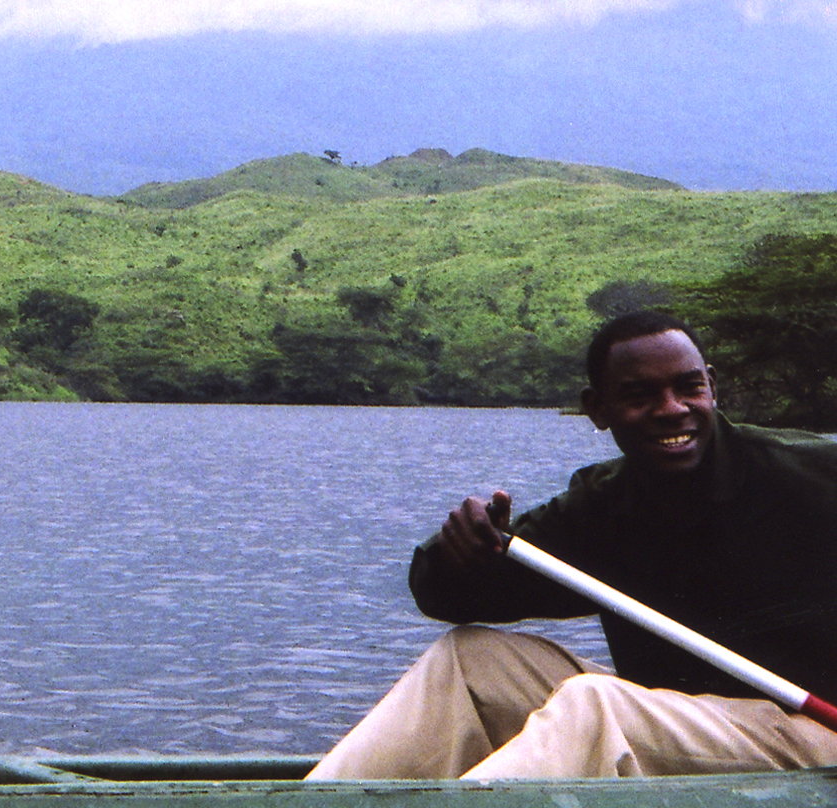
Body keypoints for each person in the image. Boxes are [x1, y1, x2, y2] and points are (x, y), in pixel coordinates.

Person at [307, 310, 837, 780]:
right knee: (471, 663)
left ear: (712, 388)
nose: (672, 409)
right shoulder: (600, 507)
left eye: (688, 388)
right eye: (639, 395)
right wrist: (459, 556)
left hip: (814, 734)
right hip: (668, 716)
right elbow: (449, 598)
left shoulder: (808, 478)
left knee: (595, 705)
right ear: (597, 407)